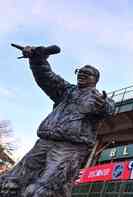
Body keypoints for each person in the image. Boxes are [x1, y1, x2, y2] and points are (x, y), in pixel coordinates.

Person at [0, 45, 115, 197]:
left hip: (70, 147)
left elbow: (109, 108)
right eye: (80, 72)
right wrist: (37, 60)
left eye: (87, 73)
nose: (81, 75)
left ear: (96, 80)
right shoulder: (66, 90)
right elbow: (48, 78)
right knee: (11, 182)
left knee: (46, 189)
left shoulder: (98, 98)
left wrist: (103, 106)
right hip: (44, 142)